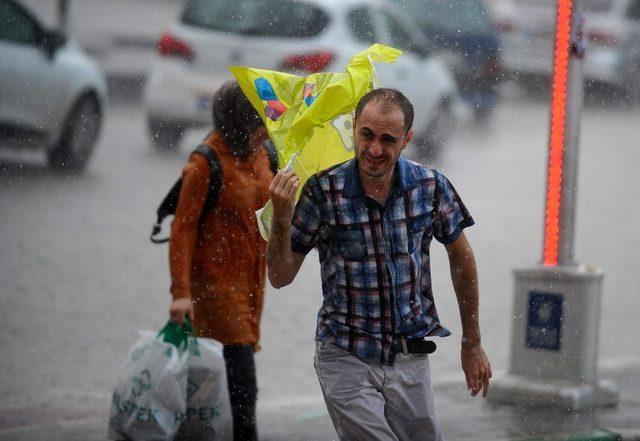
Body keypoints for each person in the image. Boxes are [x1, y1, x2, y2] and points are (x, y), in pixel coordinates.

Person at [266, 88, 492, 441]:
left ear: (407, 140)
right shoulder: (323, 191)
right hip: (345, 353)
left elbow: (461, 257)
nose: (374, 150)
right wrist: (282, 217)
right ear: (354, 127)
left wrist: (472, 342)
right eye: (366, 135)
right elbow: (280, 277)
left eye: (388, 140)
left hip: (409, 355)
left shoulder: (430, 186)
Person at [168, 81, 273, 441]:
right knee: (243, 387)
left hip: (250, 288)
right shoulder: (204, 162)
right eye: (260, 121)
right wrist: (180, 292)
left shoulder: (261, 154)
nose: (267, 129)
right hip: (214, 293)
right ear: (240, 121)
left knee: (224, 391)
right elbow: (182, 230)